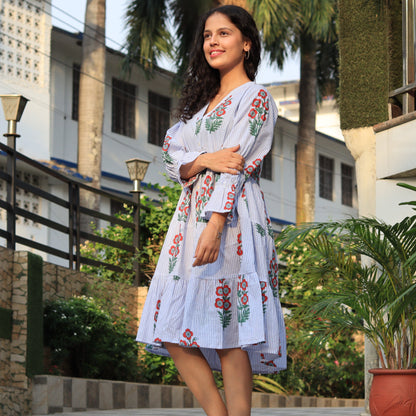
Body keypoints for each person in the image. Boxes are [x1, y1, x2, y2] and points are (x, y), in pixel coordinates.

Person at [136, 5, 286, 416]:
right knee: (170, 326)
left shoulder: (254, 97)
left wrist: (216, 223)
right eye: (207, 36)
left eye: (223, 34)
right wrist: (204, 158)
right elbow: (171, 154)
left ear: (246, 42)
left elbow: (236, 164)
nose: (213, 42)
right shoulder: (199, 110)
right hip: (187, 220)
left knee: (232, 330)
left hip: (233, 216)